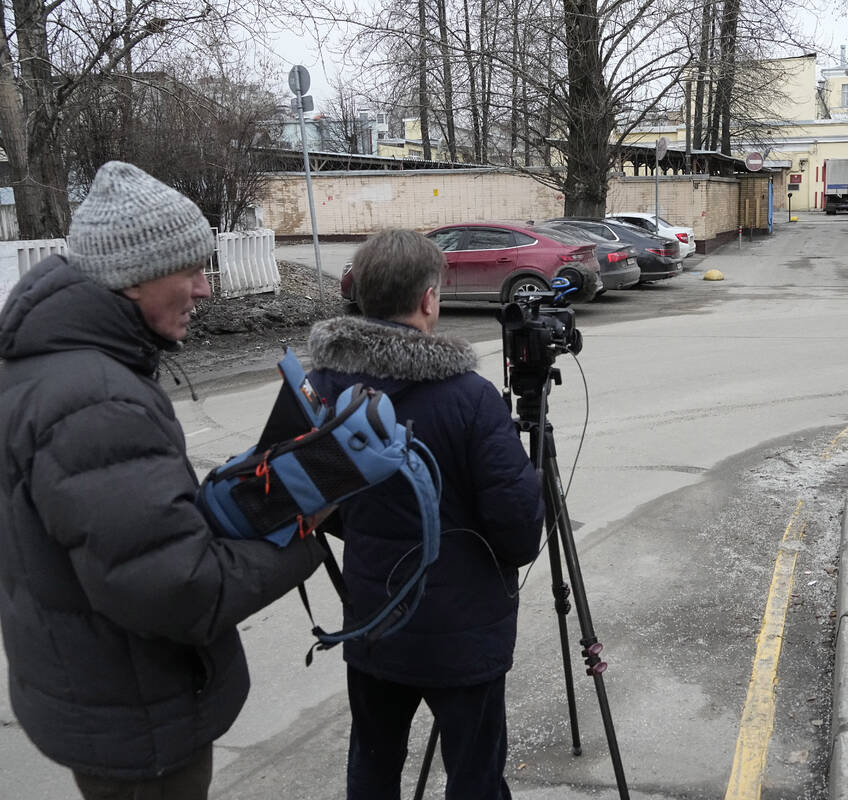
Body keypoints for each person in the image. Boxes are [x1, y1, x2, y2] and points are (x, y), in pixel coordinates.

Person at [0, 161, 327, 798]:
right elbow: (176, 589)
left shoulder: (51, 364)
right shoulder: (96, 401)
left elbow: (127, 537)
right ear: (132, 279)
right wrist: (301, 540)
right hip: (137, 715)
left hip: (92, 688)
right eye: (191, 270)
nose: (206, 289)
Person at [305, 228, 544, 800]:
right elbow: (518, 531)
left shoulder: (322, 389)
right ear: (430, 298)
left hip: (374, 619)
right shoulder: (469, 396)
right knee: (474, 774)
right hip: (463, 635)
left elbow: (316, 503)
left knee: (374, 762)